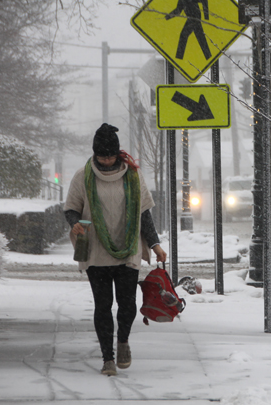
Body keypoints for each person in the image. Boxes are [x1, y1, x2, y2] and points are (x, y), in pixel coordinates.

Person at [64, 123, 167, 376]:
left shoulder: (133, 175)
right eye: (102, 156)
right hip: (96, 251)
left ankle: (123, 342)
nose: (107, 161)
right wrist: (74, 224)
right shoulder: (83, 175)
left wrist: (155, 244)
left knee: (127, 303)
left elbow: (144, 213)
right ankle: (107, 359)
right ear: (95, 154)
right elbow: (71, 208)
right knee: (103, 305)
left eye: (111, 155)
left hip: (128, 248)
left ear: (118, 153)